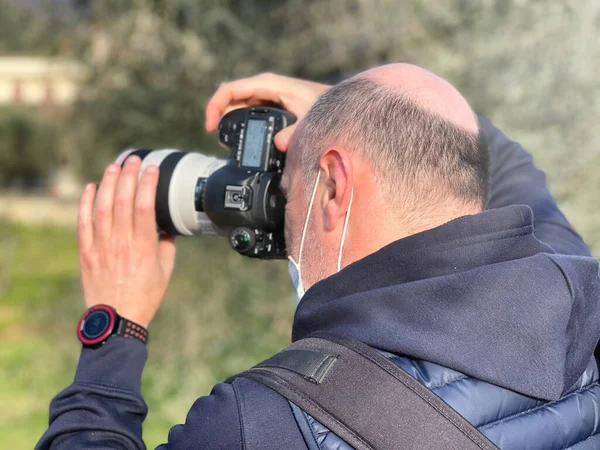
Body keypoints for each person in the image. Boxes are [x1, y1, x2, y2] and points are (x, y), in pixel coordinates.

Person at [37, 64, 600, 449]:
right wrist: (367, 112)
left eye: (289, 188)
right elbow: (507, 167)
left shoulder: (264, 422)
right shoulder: (575, 293)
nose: (282, 210)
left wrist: (113, 329)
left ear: (332, 185)